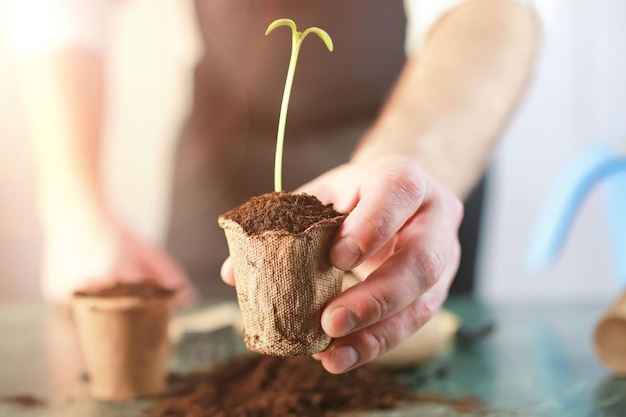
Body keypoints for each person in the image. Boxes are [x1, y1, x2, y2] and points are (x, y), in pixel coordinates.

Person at [9, 0, 538, 374]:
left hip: (417, 136)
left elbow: (495, 10)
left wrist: (405, 168)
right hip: (221, 148)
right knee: (205, 365)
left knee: (395, 346)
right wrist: (74, 206)